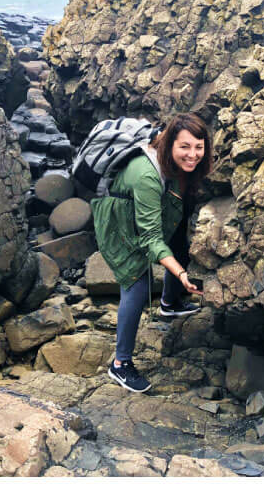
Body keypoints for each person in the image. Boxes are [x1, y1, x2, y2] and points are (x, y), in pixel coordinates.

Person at [91, 113, 213, 393]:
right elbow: (150, 239)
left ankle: (169, 305)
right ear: (170, 144)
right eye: (185, 147)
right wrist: (182, 274)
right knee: (137, 282)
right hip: (118, 216)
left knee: (180, 239)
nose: (193, 155)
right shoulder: (147, 176)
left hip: (148, 204)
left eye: (199, 147)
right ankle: (120, 365)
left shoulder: (172, 160)